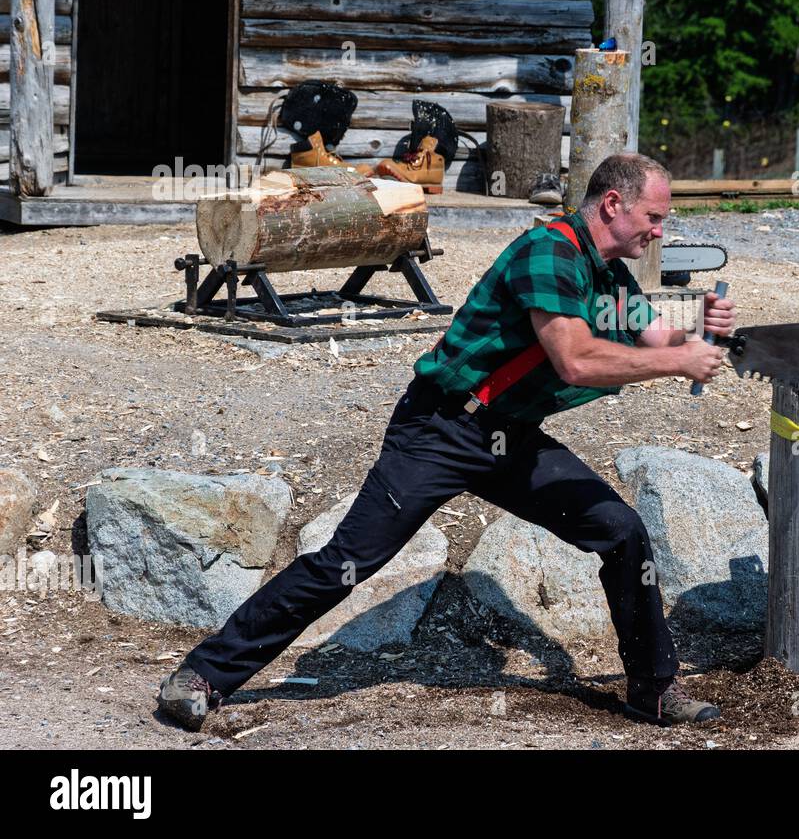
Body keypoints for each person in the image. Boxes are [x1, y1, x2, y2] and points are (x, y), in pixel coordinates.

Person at [158, 152, 735, 730]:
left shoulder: (606, 272)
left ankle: (653, 691)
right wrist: (677, 360)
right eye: (654, 218)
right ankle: (204, 674)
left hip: (505, 438)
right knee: (348, 563)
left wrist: (703, 335)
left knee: (622, 531)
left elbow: (655, 333)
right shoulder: (549, 253)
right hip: (439, 430)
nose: (660, 232)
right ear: (613, 204)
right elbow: (576, 359)